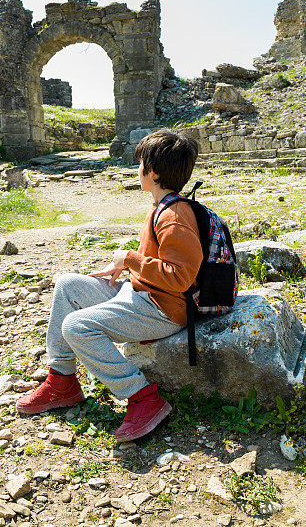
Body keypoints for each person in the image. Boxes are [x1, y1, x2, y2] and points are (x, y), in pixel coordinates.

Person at [16, 129, 202, 442]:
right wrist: (126, 265)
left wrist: (130, 259)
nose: (137, 169)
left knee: (76, 327)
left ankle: (143, 396)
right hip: (142, 293)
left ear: (152, 172)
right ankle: (62, 382)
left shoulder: (175, 215)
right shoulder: (162, 206)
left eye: (140, 163)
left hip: (164, 310)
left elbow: (180, 276)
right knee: (68, 286)